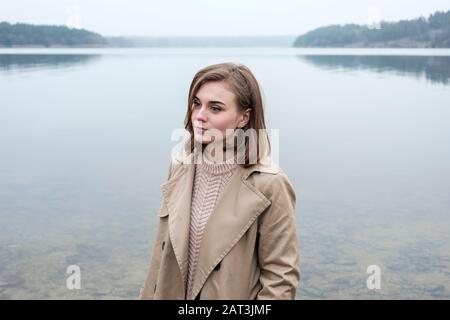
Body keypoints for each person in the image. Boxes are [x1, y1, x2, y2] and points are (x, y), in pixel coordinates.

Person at [139, 62, 300, 300]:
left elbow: (281, 278)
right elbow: (160, 256)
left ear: (243, 118)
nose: (199, 116)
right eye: (196, 104)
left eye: (215, 108)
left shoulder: (270, 184)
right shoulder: (180, 166)